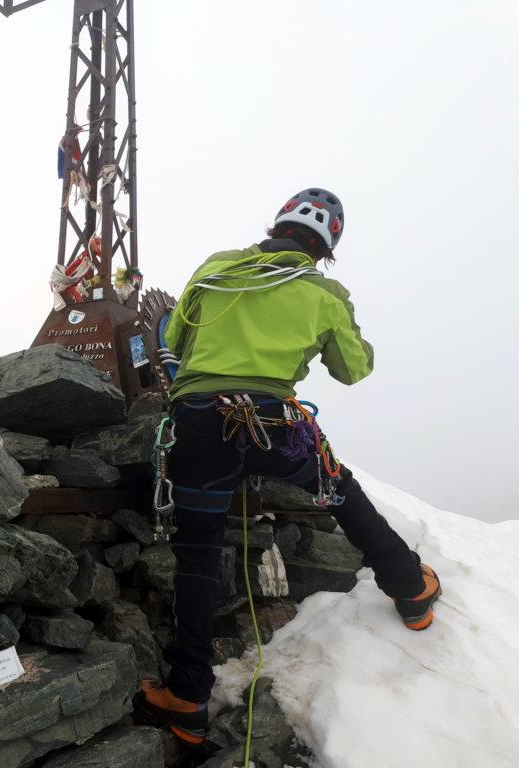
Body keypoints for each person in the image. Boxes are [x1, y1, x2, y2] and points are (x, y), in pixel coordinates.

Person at [135, 188, 442, 746]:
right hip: (274, 423)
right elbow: (353, 369)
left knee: (198, 551)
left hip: (200, 422)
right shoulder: (322, 292)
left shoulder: (217, 268)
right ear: (327, 247)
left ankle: (187, 698)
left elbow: (175, 338)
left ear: (276, 225)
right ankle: (409, 588)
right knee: (339, 491)